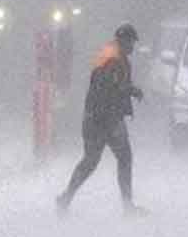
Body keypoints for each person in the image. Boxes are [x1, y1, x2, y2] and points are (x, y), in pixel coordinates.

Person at [57, 23, 144, 214]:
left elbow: (111, 85)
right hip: (106, 119)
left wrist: (128, 91)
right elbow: (111, 88)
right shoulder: (113, 60)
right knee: (123, 159)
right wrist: (131, 90)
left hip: (96, 118)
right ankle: (128, 206)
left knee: (91, 161)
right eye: (131, 42)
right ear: (123, 41)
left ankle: (66, 198)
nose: (133, 47)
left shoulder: (112, 56)